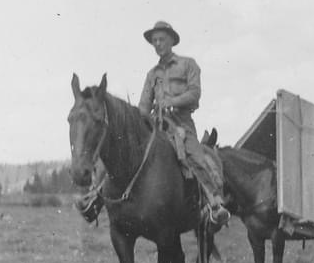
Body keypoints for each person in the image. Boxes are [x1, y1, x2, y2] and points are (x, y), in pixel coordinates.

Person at [76, 21, 230, 228]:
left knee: (195, 156)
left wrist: (171, 102)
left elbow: (194, 93)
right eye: (154, 41)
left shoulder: (188, 64)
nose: (158, 44)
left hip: (182, 123)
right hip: (156, 125)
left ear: (171, 41)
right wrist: (136, 118)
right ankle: (95, 196)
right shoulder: (152, 74)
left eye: (161, 39)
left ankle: (214, 203)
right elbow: (143, 105)